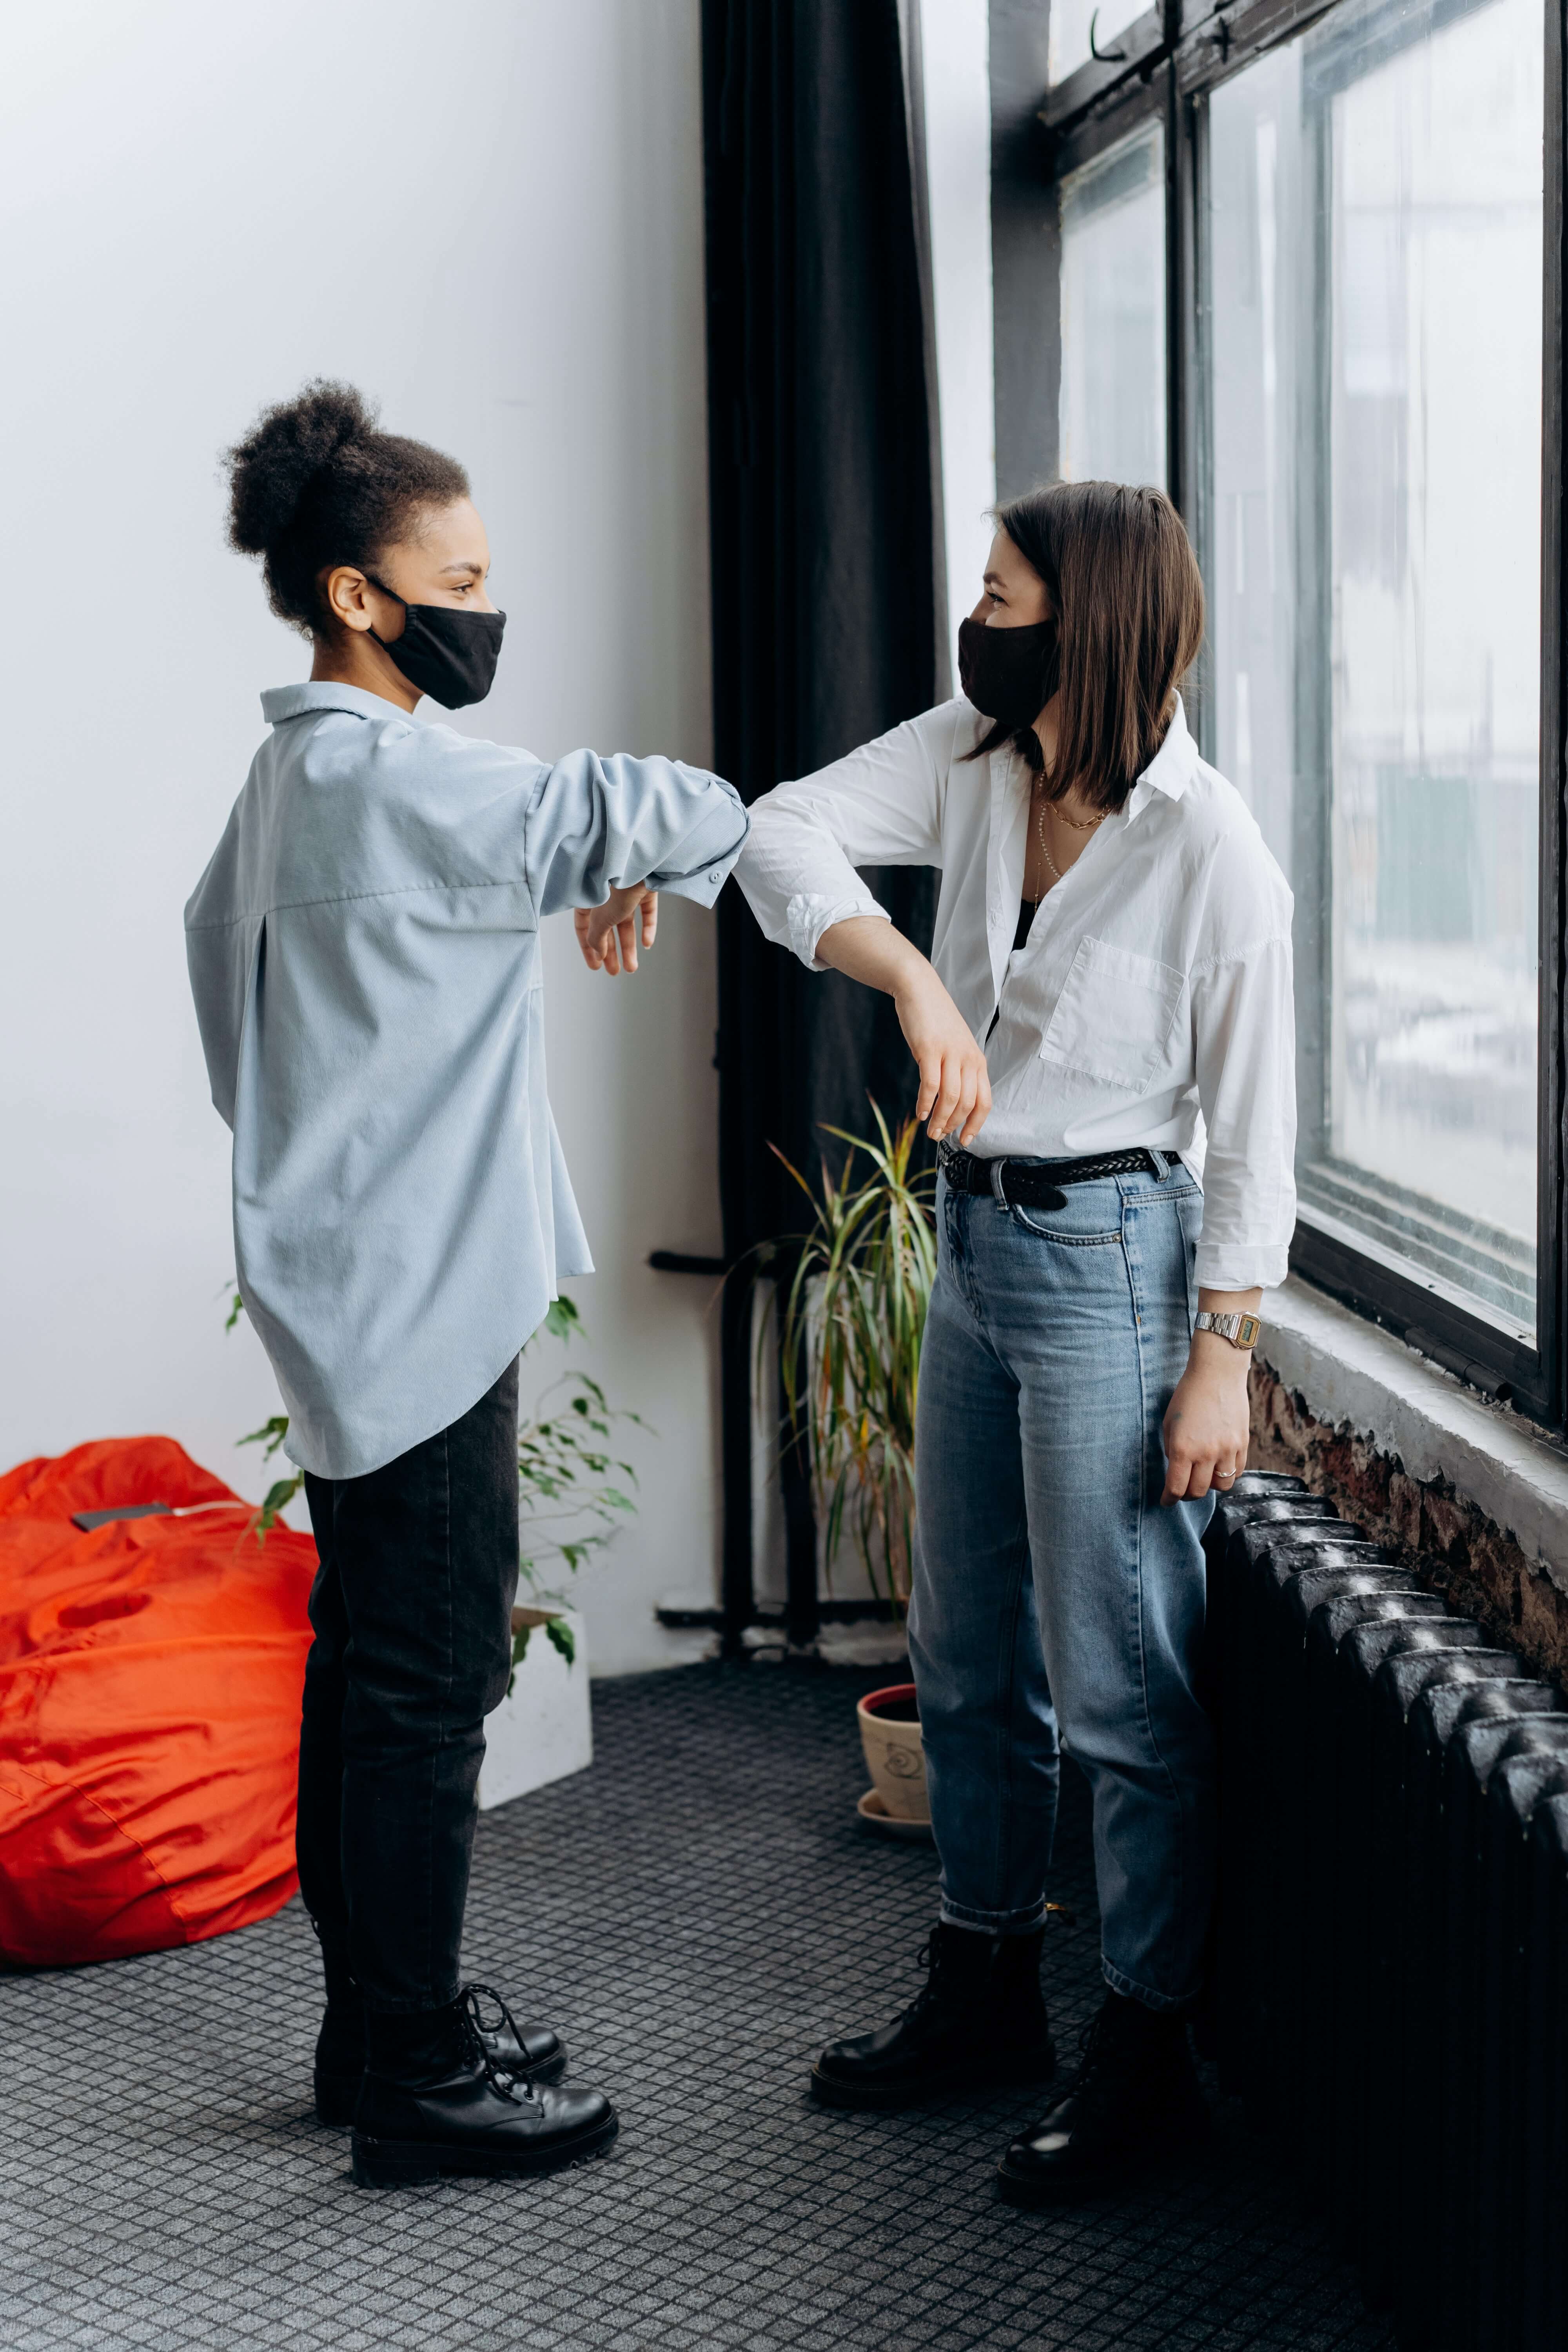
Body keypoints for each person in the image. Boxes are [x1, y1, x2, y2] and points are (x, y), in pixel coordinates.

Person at [185, 382, 748, 2189]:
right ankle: (420, 2078)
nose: (488, 604)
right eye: (463, 573)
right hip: (422, 1294)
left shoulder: (291, 787)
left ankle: (372, 2035)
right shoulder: (403, 775)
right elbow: (650, 801)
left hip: (348, 1277)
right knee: (427, 1690)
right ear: (360, 596)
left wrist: (573, 880)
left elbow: (245, 1014)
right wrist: (648, 849)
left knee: (367, 1673)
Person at [733, 481, 1294, 2201]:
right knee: (966, 1652)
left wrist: (1224, 1352)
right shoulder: (976, 757)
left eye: (1002, 592)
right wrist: (905, 973)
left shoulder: (1212, 848)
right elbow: (775, 831)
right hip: (970, 1238)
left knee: (1124, 1695)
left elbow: (1258, 1123)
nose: (976, 619)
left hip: (1120, 1261)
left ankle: (1144, 2055)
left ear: (1093, 620)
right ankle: (982, 1990)